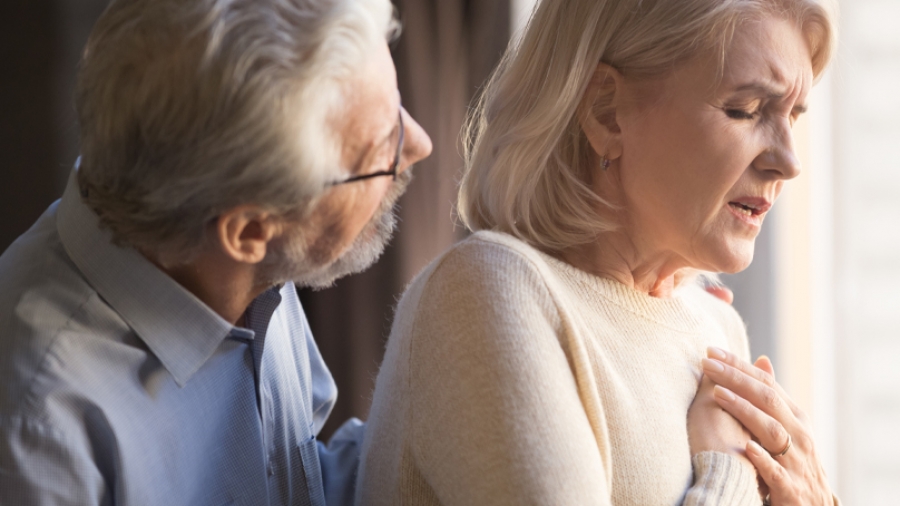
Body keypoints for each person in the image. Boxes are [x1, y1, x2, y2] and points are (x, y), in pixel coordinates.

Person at [357, 0, 837, 504]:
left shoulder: (717, 328)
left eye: (793, 118)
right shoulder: (488, 292)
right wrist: (730, 477)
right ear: (606, 111)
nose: (788, 161)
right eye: (746, 110)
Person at [0, 0, 431, 504]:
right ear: (248, 230)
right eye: (383, 146)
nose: (419, 142)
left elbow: (296, 480)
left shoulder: (236, 258)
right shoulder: (38, 432)